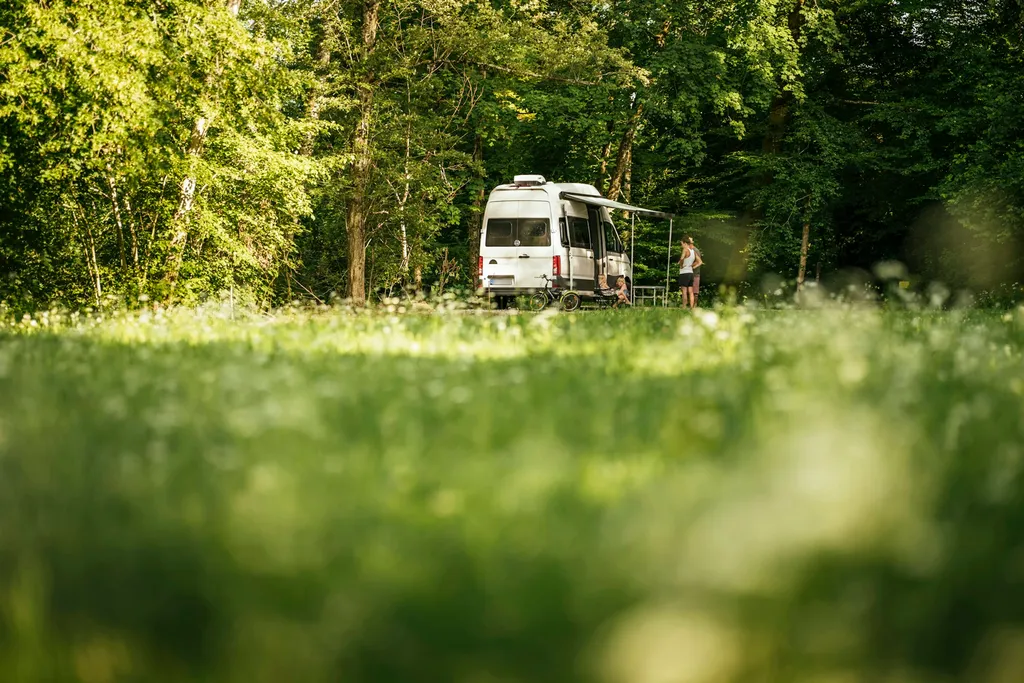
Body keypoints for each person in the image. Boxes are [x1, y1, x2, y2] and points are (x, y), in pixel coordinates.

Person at [678, 237, 702, 309]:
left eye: (682, 244)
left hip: (684, 273)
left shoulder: (685, 250)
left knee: (684, 291)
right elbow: (700, 261)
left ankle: (684, 307)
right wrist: (693, 267)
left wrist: (681, 265)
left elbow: (682, 258)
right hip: (691, 273)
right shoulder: (693, 252)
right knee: (691, 292)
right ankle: (692, 307)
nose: (681, 245)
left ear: (685, 243)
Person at [687, 237, 703, 307]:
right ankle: (690, 305)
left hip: (695, 274)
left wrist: (690, 266)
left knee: (695, 292)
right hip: (688, 273)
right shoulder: (688, 251)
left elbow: (698, 262)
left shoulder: (695, 250)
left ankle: (694, 306)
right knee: (688, 290)